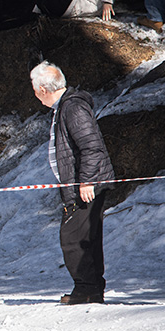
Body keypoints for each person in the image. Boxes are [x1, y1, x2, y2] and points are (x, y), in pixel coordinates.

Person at [30, 62, 115, 305]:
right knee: (85, 237)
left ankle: (87, 290)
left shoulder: (73, 107)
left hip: (87, 185)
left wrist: (86, 182)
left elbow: (92, 146)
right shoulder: (64, 107)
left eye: (34, 88)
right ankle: (91, 289)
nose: (34, 94)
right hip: (80, 183)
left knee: (73, 238)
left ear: (44, 89)